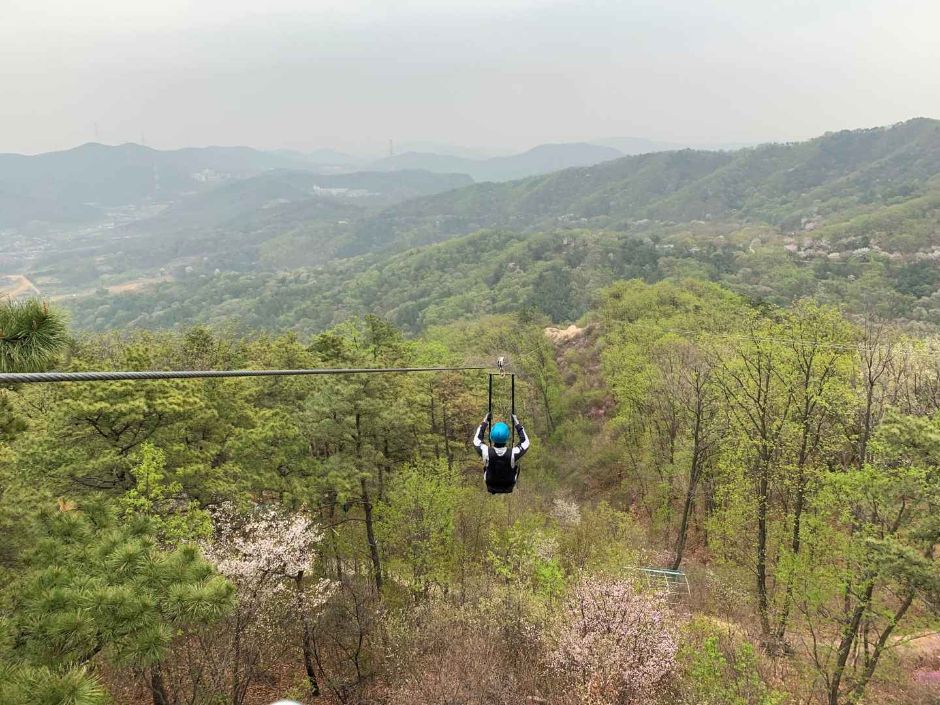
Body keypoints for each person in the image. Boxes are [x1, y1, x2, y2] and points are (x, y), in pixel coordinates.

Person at [472, 412, 529, 494]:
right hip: (508, 484)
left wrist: (485, 422)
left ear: (492, 436)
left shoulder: (486, 452)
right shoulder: (513, 453)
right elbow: (525, 443)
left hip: (491, 483)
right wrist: (517, 423)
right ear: (507, 437)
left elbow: (476, 441)